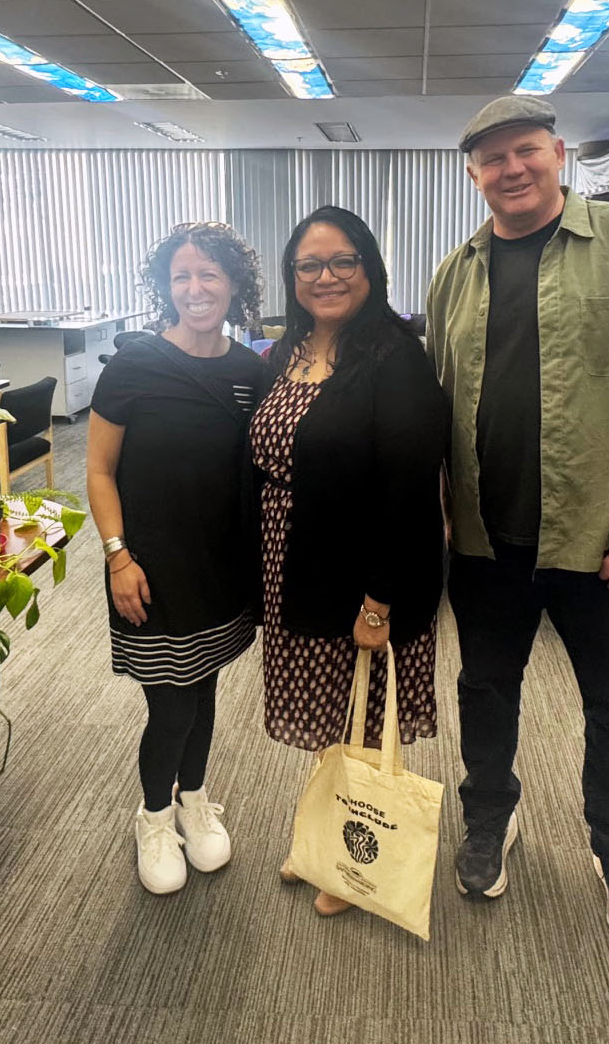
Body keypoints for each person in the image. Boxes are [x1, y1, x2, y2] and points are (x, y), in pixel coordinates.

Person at [425, 96, 609, 948]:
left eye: (525, 151)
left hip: (600, 538)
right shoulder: (456, 271)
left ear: (556, 153)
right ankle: (489, 820)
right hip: (485, 540)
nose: (511, 169)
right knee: (484, 691)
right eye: (492, 159)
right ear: (473, 173)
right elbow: (438, 405)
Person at [251, 205, 449, 919]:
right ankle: (325, 838)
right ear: (291, 276)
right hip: (293, 563)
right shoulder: (287, 350)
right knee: (329, 719)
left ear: (369, 268)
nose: (326, 276)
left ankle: (352, 859)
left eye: (343, 262)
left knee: (364, 721)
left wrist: (379, 600)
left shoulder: (396, 357)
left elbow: (407, 491)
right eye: (309, 264)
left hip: (364, 572)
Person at [86, 221, 271, 895]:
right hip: (150, 569)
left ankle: (195, 797)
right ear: (166, 288)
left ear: (234, 286)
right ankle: (154, 815)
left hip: (222, 568)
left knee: (205, 685)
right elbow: (100, 470)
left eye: (210, 275)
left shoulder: (250, 372)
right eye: (182, 277)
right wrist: (116, 557)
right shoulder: (135, 365)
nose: (196, 289)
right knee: (170, 703)